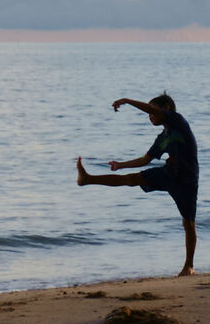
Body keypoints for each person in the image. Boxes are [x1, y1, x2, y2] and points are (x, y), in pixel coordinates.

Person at [76, 91, 199, 276]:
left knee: (188, 223)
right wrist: (120, 165)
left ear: (166, 109)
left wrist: (126, 100)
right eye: (149, 113)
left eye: (153, 112)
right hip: (168, 173)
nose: (150, 116)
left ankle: (188, 266)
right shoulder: (161, 138)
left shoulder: (177, 121)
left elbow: (148, 108)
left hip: (187, 179)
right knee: (131, 179)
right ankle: (88, 179)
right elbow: (145, 159)